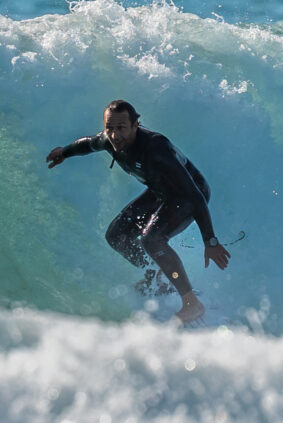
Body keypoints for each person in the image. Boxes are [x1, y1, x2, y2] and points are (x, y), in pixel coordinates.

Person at [46, 99, 230, 323]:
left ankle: (192, 303)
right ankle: (158, 276)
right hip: (160, 190)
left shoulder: (157, 148)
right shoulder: (109, 140)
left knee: (152, 239)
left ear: (136, 125)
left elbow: (194, 195)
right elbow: (87, 144)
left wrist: (210, 241)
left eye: (121, 128)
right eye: (109, 128)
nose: (115, 135)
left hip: (189, 194)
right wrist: (64, 152)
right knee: (116, 235)